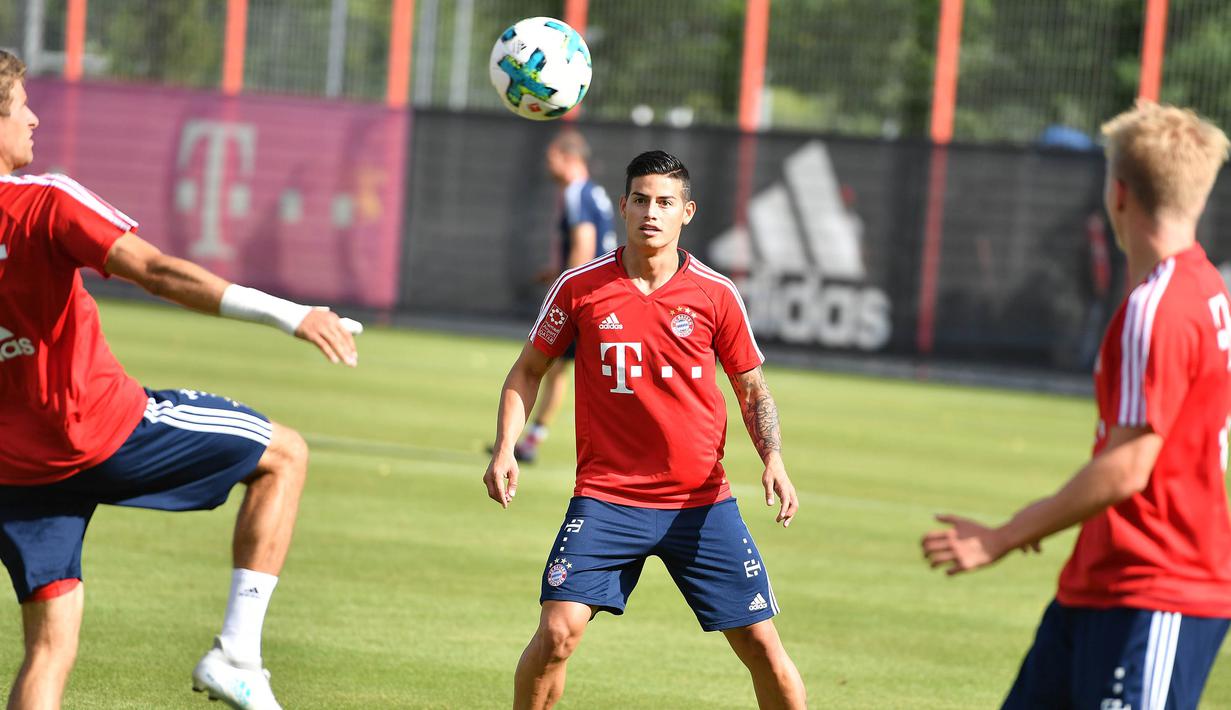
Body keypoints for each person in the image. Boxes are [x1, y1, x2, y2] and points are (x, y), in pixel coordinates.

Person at [0, 50, 361, 710]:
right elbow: (157, 272)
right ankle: (237, 655)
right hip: (103, 431)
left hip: (16, 470)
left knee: (48, 649)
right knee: (284, 454)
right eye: (21, 105)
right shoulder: (45, 200)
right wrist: (292, 314)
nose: (34, 118)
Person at [922, 101, 1231, 710]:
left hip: (1157, 590)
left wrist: (1003, 537)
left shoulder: (1160, 306)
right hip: (1100, 584)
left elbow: (1128, 469)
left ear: (1118, 194)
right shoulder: (1203, 287)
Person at [483, 150, 806, 709]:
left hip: (699, 503)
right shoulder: (580, 287)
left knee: (761, 645)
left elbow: (752, 389)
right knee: (557, 632)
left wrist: (773, 458)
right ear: (623, 206)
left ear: (687, 212)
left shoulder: (715, 293)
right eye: (641, 200)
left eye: (665, 203)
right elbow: (528, 370)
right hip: (607, 498)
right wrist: (506, 446)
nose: (651, 213)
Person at [513, 129, 617, 463]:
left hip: (587, 296)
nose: (548, 164)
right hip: (603, 291)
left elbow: (584, 245)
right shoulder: (593, 191)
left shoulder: (576, 192)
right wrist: (556, 270)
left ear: (568, 158)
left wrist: (565, 289)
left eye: (552, 158)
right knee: (559, 368)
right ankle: (531, 441)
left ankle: (532, 443)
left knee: (542, 363)